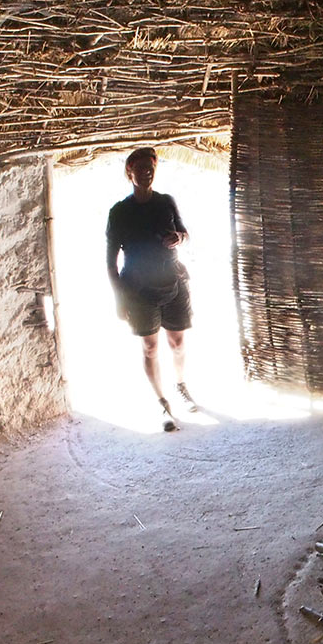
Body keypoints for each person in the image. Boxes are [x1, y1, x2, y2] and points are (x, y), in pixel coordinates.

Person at [106, 147, 198, 431]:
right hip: (138, 289)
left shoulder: (166, 202)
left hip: (173, 281)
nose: (148, 171)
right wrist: (119, 299)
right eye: (142, 167)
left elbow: (185, 233)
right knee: (149, 347)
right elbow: (111, 260)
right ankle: (162, 402)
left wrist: (178, 238)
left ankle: (181, 385)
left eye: (152, 167)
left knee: (178, 342)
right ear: (130, 171)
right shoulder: (120, 212)